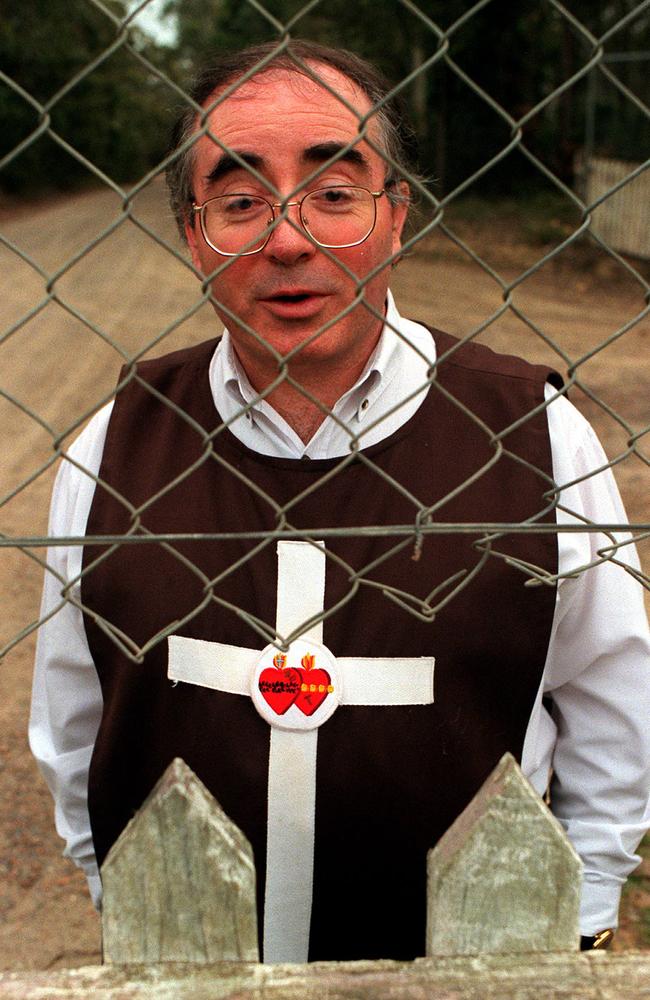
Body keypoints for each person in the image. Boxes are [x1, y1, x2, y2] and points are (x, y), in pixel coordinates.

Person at [30, 40, 649, 963]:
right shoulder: (114, 448)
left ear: (395, 217)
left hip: (468, 968)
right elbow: (75, 724)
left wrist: (583, 914)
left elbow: (612, 702)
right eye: (240, 200)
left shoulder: (533, 434)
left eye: (334, 193)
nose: (289, 237)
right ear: (194, 234)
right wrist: (131, 908)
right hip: (194, 967)